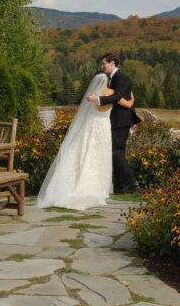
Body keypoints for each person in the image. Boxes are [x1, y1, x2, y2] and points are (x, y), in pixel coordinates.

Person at [37, 71, 135, 210]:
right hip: (104, 127)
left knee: (85, 152)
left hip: (91, 125)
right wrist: (131, 97)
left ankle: (72, 184)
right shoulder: (113, 94)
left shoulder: (92, 96)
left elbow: (86, 112)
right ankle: (99, 186)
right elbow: (128, 102)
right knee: (101, 157)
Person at [87, 52, 140, 194]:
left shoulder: (122, 78)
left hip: (121, 120)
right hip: (114, 120)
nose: (102, 66)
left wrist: (98, 99)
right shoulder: (110, 79)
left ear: (112, 63)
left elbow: (118, 97)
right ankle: (122, 187)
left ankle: (133, 183)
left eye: (104, 63)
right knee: (118, 152)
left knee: (115, 151)